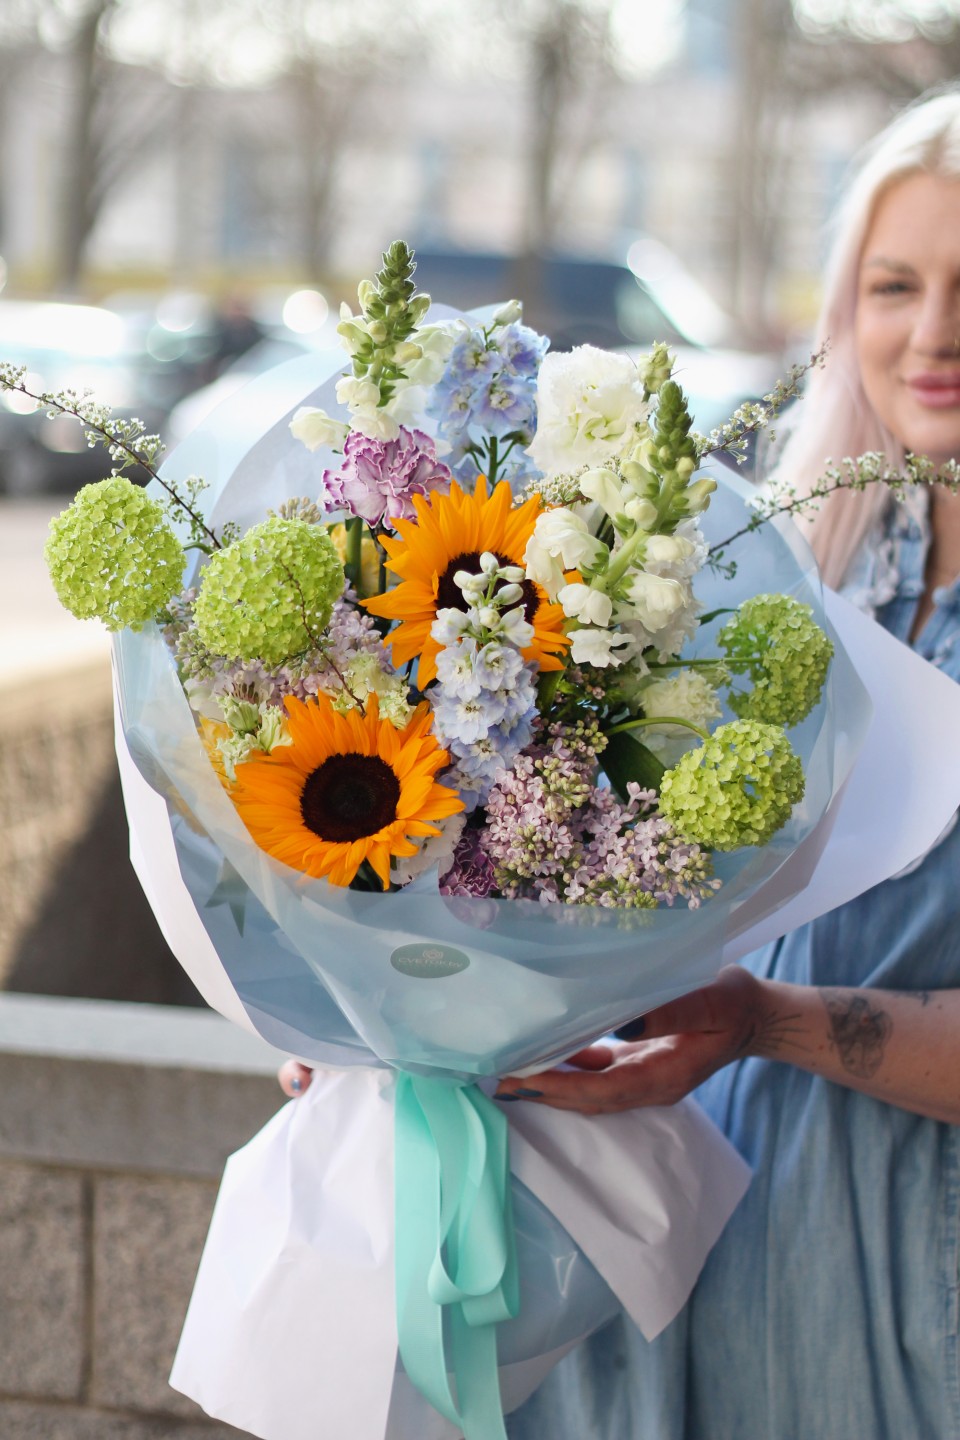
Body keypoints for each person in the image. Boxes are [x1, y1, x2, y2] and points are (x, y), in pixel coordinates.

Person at [280, 89, 960, 1438]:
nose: (933, 333)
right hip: (686, 1232)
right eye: (896, 283)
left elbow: (741, 989)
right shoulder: (782, 587)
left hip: (911, 1278)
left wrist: (766, 1023)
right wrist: (386, 1024)